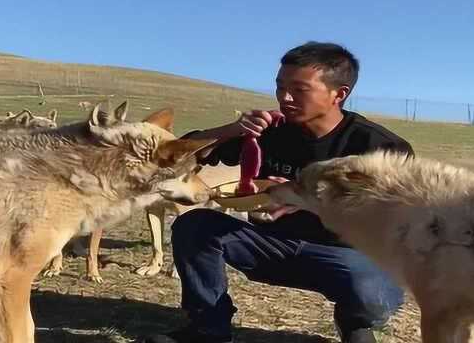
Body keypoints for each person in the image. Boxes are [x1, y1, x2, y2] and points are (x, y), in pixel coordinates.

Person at [143, 41, 414, 343]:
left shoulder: (382, 148)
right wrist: (233, 130)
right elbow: (176, 155)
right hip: (272, 246)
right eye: (280, 86)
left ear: (339, 94)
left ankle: (355, 323)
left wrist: (306, 201)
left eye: (299, 89)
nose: (285, 97)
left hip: (347, 257)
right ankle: (208, 328)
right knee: (194, 226)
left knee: (370, 291)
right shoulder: (270, 131)